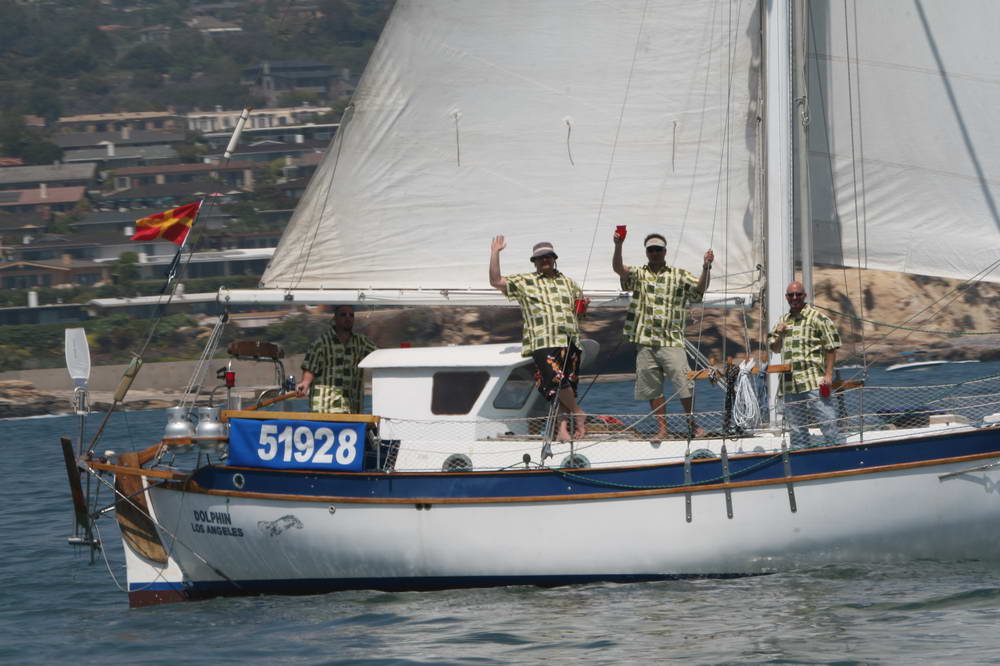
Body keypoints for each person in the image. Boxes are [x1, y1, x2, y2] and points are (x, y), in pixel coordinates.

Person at [613, 230, 713, 439]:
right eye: (651, 250)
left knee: (684, 383)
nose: (655, 253)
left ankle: (693, 425)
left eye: (658, 249)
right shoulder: (639, 274)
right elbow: (619, 269)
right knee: (652, 388)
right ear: (646, 252)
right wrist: (618, 245)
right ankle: (662, 430)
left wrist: (706, 267)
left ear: (665, 251)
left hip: (671, 340)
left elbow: (699, 289)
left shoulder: (678, 275)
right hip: (645, 340)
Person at [489, 236, 587, 442]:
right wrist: (495, 252)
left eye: (548, 256)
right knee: (555, 380)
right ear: (534, 262)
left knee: (565, 386)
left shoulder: (569, 283)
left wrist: (584, 307)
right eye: (540, 258)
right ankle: (578, 413)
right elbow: (496, 281)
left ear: (554, 258)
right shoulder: (525, 281)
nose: (545, 260)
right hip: (543, 340)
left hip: (570, 339)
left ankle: (562, 430)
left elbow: (580, 314)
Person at [767, 281, 845, 448]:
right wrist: (779, 333)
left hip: (814, 380)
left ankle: (835, 451)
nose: (794, 298)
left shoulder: (818, 318)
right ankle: (800, 455)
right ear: (786, 297)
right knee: (796, 428)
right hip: (790, 384)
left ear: (805, 296)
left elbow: (832, 346)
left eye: (798, 294)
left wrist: (828, 375)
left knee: (827, 421)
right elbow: (774, 348)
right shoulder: (782, 321)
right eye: (791, 295)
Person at [295, 304, 378, 413]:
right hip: (325, 408)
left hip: (352, 407)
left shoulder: (361, 342)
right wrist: (305, 383)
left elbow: (379, 355)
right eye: (343, 315)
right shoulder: (321, 343)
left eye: (351, 315)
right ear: (335, 318)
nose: (348, 318)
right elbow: (310, 367)